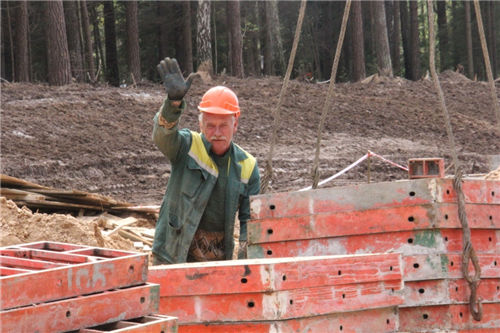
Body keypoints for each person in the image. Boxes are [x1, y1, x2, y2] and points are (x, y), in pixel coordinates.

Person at [151, 57, 260, 265]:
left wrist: (246, 268)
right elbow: (162, 136)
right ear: (200, 124)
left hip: (216, 264)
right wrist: (172, 104)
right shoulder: (187, 146)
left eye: (224, 125)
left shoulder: (247, 166)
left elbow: (250, 225)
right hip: (172, 256)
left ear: (235, 124)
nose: (217, 132)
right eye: (210, 125)